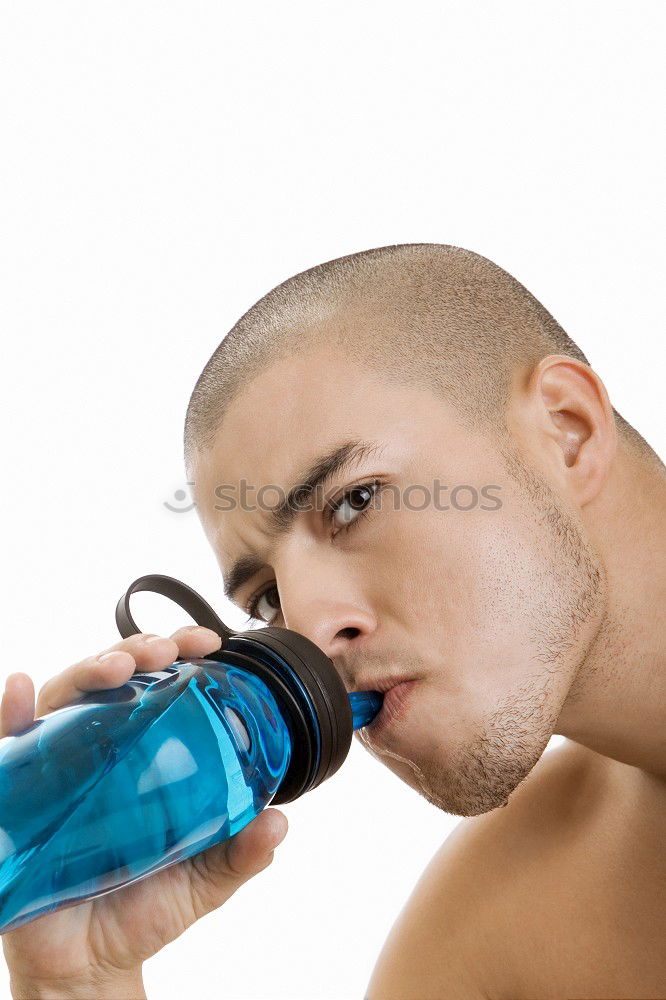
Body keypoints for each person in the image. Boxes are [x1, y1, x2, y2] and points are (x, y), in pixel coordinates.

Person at [2, 244, 664, 999]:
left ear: (568, 431)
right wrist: (80, 984)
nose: (309, 633)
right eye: (267, 601)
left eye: (354, 500)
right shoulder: (492, 937)